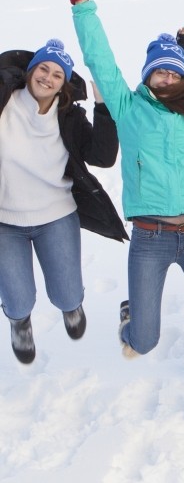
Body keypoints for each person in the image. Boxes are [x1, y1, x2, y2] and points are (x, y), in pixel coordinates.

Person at [59, 0, 184, 358]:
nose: (169, 78)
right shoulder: (127, 107)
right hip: (149, 238)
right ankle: (131, 318)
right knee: (144, 341)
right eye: (161, 73)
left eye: (175, 73)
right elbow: (100, 58)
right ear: (148, 75)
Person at [0, 40, 126, 363]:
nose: (48, 77)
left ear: (64, 83)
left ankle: (71, 308)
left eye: (57, 74)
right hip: (5, 222)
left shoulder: (68, 116)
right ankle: (20, 324)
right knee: (17, 300)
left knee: (68, 293)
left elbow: (103, 156)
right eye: (43, 68)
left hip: (56, 215)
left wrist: (103, 107)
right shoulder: (4, 101)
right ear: (31, 70)